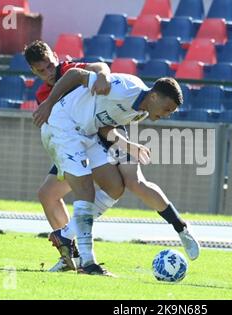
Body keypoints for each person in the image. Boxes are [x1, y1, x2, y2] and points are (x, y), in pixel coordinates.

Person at [25, 41, 200, 273]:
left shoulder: (140, 111)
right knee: (82, 190)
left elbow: (106, 126)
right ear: (155, 96)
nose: (166, 116)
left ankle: (66, 236)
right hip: (66, 127)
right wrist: (48, 104)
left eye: (49, 66)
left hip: (90, 130)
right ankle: (86, 263)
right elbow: (78, 74)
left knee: (116, 186)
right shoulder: (123, 89)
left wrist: (129, 145)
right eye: (167, 109)